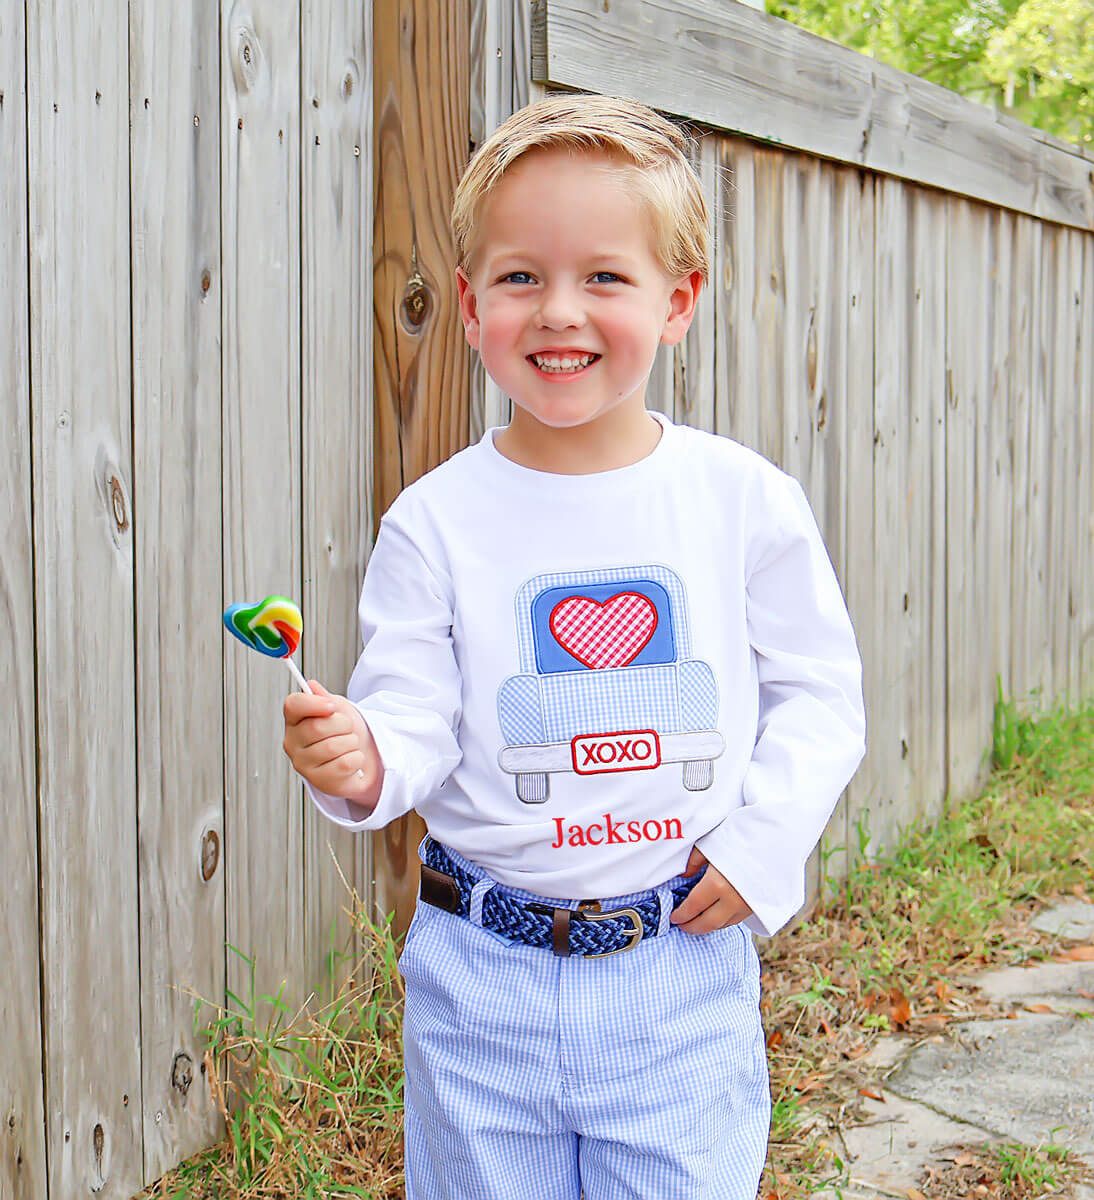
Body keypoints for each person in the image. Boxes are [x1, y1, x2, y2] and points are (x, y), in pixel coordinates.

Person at [283, 93, 866, 1200]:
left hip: (676, 969)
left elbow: (821, 694)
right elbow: (410, 716)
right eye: (519, 278)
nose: (559, 312)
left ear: (677, 300)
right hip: (479, 975)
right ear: (467, 303)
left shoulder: (739, 500)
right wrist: (363, 759)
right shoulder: (435, 520)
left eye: (604, 277)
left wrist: (763, 843)